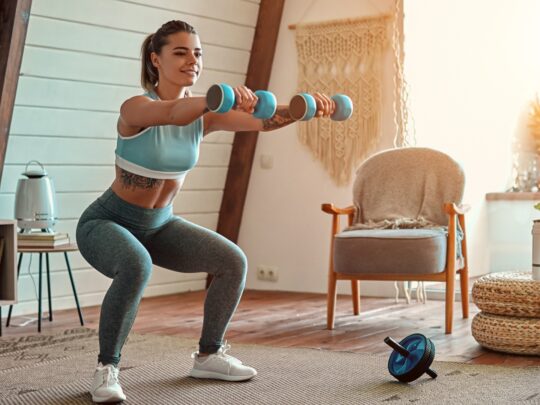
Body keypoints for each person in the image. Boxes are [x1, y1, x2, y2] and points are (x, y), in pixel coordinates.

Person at [76, 20, 335, 403]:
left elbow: (264, 120)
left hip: (159, 225)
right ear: (155, 59)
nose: (191, 60)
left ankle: (209, 354)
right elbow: (176, 111)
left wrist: (304, 108)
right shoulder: (136, 108)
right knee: (136, 265)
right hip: (107, 222)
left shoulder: (207, 113)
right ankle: (106, 370)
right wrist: (220, 97)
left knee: (232, 261)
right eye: (180, 52)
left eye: (197, 53)